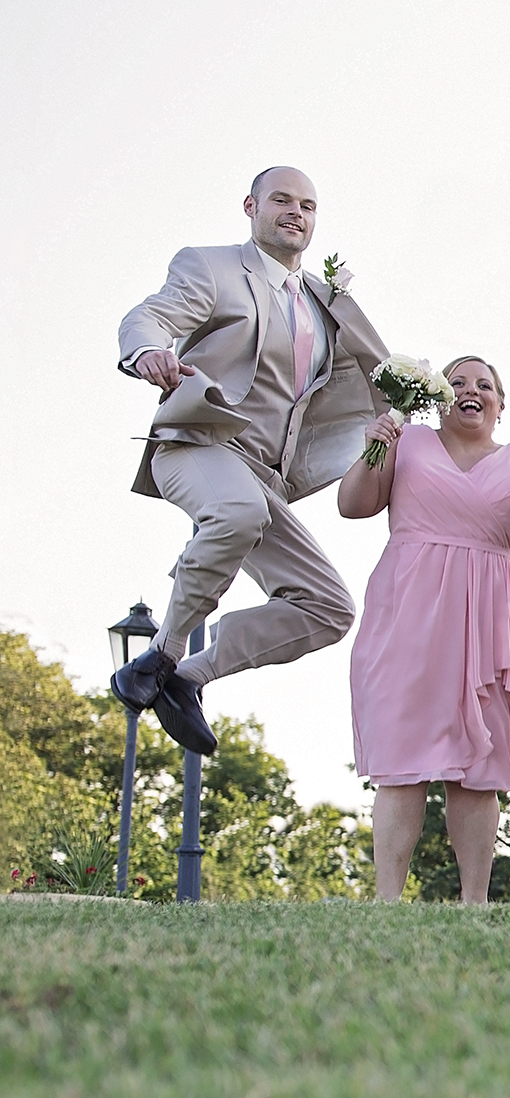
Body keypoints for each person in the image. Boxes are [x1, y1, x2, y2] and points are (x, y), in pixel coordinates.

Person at [109, 166, 390, 757]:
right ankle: (163, 651)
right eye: (282, 200)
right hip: (200, 446)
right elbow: (149, 316)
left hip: (267, 480)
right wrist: (148, 350)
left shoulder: (326, 300)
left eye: (307, 206)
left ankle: (187, 679)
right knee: (235, 511)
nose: (295, 213)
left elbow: (384, 374)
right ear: (250, 206)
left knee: (330, 608)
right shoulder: (211, 268)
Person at [341, 358, 510, 903]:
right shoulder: (410, 440)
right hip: (409, 613)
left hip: (491, 621)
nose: (472, 391)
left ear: (499, 403)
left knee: (479, 766)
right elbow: (354, 505)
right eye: (460, 383)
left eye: (485, 385)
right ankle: (386, 903)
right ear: (440, 396)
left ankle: (474, 905)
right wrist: (375, 443)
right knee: (403, 759)